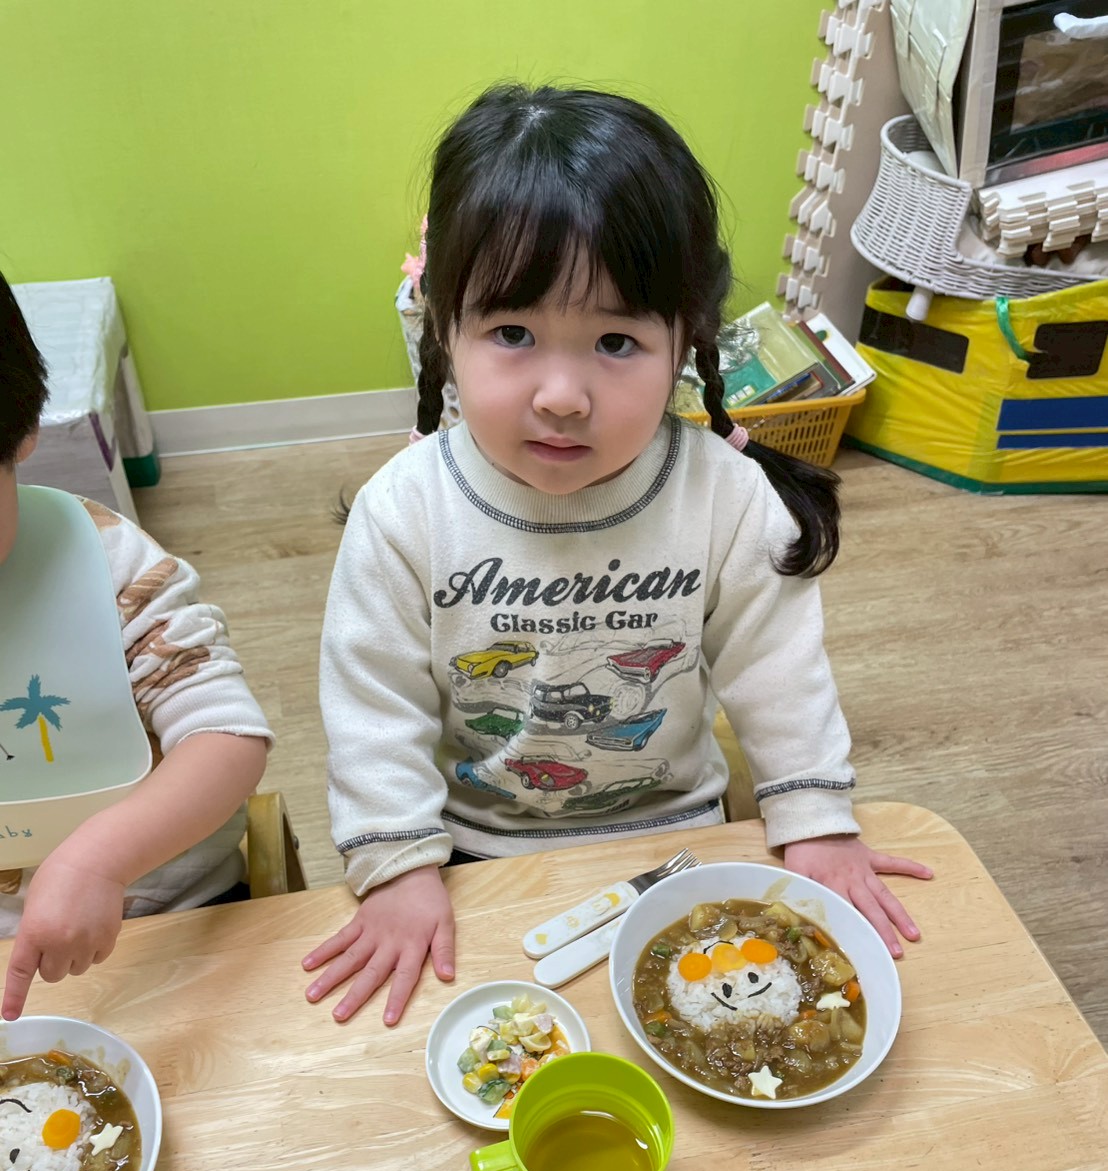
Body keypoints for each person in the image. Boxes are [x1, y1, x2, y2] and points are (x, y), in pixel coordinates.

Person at [305, 83, 931, 1027]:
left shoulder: (724, 497)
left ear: (686, 341)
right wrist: (395, 864)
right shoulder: (404, 512)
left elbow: (779, 671)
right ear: (445, 327)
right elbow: (372, 705)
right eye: (513, 334)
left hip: (677, 834)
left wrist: (815, 820)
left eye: (615, 341)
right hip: (473, 849)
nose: (562, 393)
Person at [0, 270, 272, 1019]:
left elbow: (228, 737)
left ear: (20, 433)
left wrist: (100, 860)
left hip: (164, 917)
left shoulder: (111, 567)